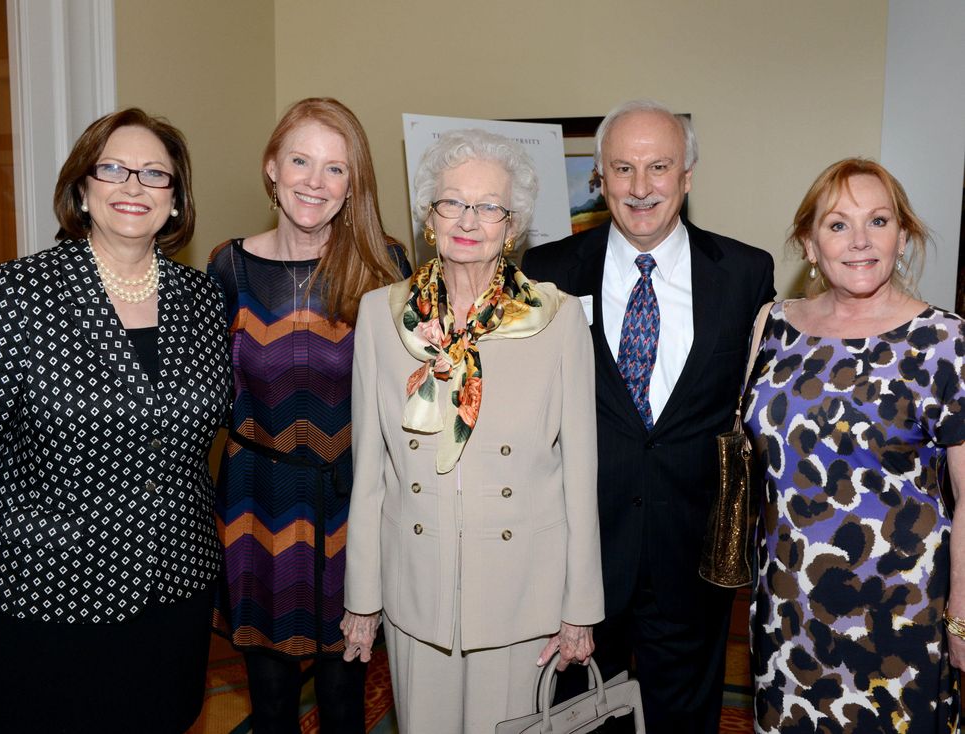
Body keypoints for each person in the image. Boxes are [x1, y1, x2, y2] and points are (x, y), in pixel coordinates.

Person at [522, 99, 775, 733]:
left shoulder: (746, 273)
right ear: (599, 178)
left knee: (685, 719)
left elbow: (759, 410)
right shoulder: (545, 274)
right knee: (578, 717)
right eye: (623, 169)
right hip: (579, 552)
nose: (640, 188)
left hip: (692, 551)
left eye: (658, 167)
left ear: (687, 175)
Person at [341, 128, 603, 733]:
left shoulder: (557, 319)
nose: (468, 220)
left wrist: (581, 607)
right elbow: (371, 474)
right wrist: (363, 596)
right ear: (429, 217)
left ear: (512, 228)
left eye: (489, 207)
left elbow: (580, 477)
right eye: (452, 202)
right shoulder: (383, 316)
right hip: (415, 588)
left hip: (521, 594)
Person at [0, 108, 229, 733]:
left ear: (175, 201)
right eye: (114, 169)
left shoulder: (202, 297)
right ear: (83, 188)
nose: (133, 187)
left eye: (155, 175)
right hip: (48, 589)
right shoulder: (13, 295)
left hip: (176, 583)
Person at [207, 97, 410, 734]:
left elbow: (412, 397)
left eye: (335, 168)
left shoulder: (387, 267)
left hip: (352, 505)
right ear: (272, 167)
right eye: (300, 160)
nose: (314, 182)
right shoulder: (228, 266)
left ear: (355, 184)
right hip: (255, 502)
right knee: (269, 704)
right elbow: (198, 391)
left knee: (346, 700)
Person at [744, 158, 965, 732]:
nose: (860, 241)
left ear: (904, 235)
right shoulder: (772, 326)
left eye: (879, 221)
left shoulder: (944, 343)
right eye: (838, 224)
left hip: (903, 625)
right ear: (809, 246)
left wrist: (962, 620)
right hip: (786, 616)